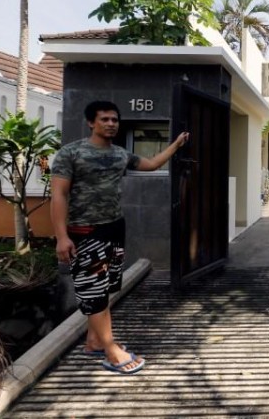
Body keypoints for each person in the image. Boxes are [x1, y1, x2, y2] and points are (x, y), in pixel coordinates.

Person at [51, 100, 189, 374]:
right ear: (91, 122)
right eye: (105, 119)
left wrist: (175, 146)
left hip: (114, 228)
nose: (111, 124)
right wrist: (61, 237)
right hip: (85, 231)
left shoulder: (120, 154)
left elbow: (149, 164)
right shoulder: (71, 153)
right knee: (94, 290)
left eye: (115, 120)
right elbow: (59, 195)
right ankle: (112, 350)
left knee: (106, 286)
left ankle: (93, 341)